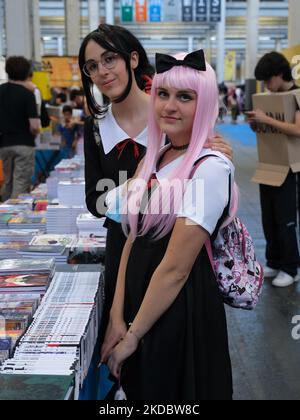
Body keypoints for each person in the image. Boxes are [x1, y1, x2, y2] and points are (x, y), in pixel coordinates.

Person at [79, 24, 234, 358]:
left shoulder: (172, 122)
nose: (102, 71)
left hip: (178, 255)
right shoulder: (96, 128)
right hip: (126, 245)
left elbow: (177, 265)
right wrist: (135, 189)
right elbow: (95, 200)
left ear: (132, 59)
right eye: (92, 66)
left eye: (109, 59)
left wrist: (210, 155)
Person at [246, 51, 300, 288]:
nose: (267, 86)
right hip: (269, 165)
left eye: (268, 80)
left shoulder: (296, 95)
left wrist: (267, 120)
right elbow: (269, 131)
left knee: (286, 219)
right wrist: (257, 123)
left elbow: (297, 130)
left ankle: (291, 267)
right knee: (269, 217)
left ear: (279, 75)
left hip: (290, 168)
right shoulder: (270, 99)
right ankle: (274, 260)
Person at [0, 56, 40, 201]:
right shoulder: (27, 95)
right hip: (23, 143)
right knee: (21, 182)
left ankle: (3, 217)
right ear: (26, 73)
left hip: (4, 143)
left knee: (8, 182)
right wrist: (35, 133)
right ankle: (15, 219)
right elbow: (34, 125)